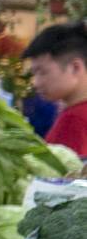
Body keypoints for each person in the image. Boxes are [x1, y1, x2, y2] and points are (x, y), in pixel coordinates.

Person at [24, 22, 87, 157]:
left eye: (42, 72)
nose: (35, 83)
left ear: (75, 68)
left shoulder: (73, 121)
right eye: (34, 74)